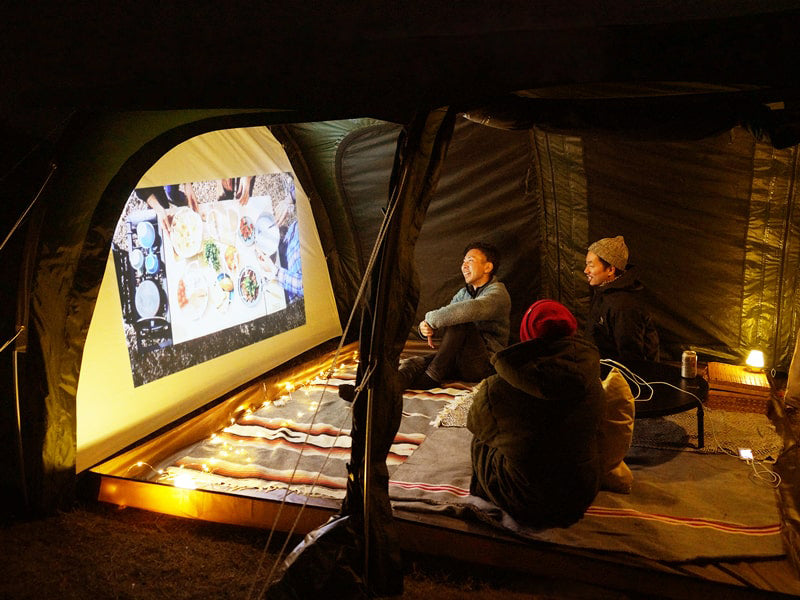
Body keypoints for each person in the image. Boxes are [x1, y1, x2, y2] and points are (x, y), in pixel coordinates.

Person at [467, 299, 604, 528]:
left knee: (481, 438)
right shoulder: (591, 378)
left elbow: (474, 423)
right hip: (580, 495)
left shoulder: (499, 387)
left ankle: (484, 492)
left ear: (526, 333)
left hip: (528, 501)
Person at [400, 241, 511, 389]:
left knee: (460, 320)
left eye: (470, 261)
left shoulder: (498, 293)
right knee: (414, 364)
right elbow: (446, 317)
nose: (464, 266)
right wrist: (423, 328)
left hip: (484, 365)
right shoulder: (464, 293)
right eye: (463, 261)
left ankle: (432, 377)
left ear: (488, 267)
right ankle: (388, 389)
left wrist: (430, 320)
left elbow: (469, 310)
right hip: (459, 360)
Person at [584, 235, 659, 362]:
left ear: (610, 270)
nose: (586, 270)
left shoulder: (624, 306)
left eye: (591, 265)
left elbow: (631, 358)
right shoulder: (604, 291)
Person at [135, 183, 200, 241]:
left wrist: (187, 182)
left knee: (172, 192)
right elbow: (139, 188)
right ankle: (166, 206)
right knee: (163, 206)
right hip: (151, 182)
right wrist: (158, 208)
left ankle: (181, 200)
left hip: (172, 172)